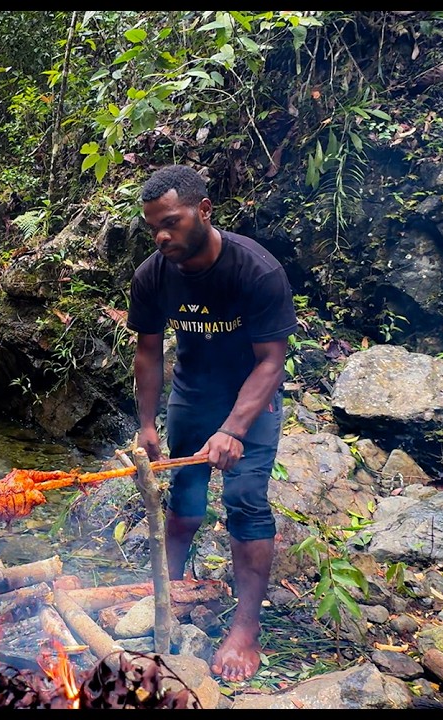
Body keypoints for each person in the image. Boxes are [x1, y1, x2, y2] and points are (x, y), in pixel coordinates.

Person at [127, 164, 296, 683]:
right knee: (182, 502)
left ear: (203, 211)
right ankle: (169, 593)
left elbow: (272, 360)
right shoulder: (152, 274)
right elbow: (149, 352)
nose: (161, 235)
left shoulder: (255, 270)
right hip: (193, 396)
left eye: (172, 222)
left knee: (245, 502)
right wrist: (148, 424)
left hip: (252, 401)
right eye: (153, 225)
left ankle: (246, 628)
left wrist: (234, 429)